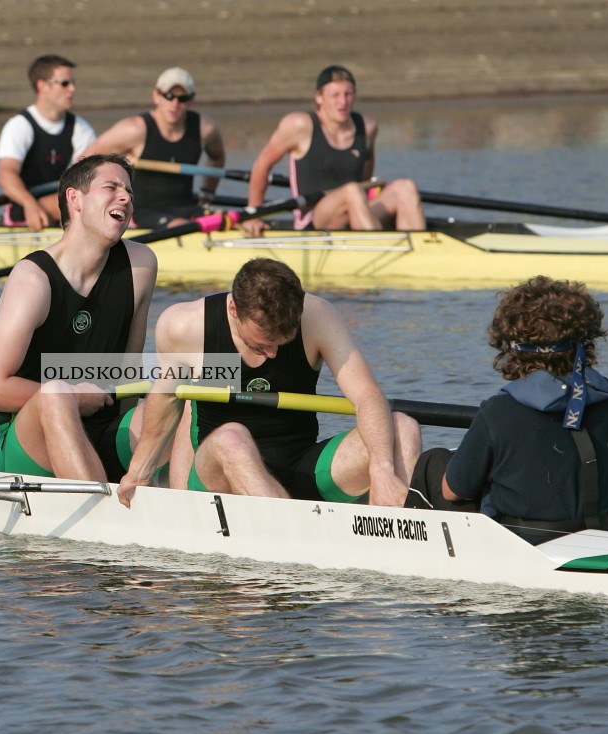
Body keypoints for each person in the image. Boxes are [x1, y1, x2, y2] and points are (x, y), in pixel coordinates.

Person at [119, 257, 421, 508]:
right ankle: (295, 541)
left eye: (282, 342)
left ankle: (396, 531)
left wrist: (381, 469)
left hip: (300, 466)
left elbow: (366, 395)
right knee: (232, 438)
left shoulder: (317, 316)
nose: (273, 353)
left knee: (402, 429)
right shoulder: (184, 326)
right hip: (218, 476)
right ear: (234, 311)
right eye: (262, 344)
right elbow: (168, 402)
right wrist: (139, 472)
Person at [0, 154, 158, 481]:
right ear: (75, 198)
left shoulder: (141, 264)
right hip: (34, 441)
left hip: (107, 427)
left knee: (185, 393)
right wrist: (75, 398)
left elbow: (128, 373)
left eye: (129, 191)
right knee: (56, 393)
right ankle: (99, 516)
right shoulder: (33, 280)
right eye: (111, 187)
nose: (126, 197)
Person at [435, 276, 608, 544]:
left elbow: (451, 492)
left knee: (433, 464)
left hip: (528, 545)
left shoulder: (498, 411)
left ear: (510, 344)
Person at [242, 65, 425, 237]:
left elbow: (367, 171)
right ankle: (380, 248)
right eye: (335, 95)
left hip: (356, 207)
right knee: (351, 191)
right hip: (316, 217)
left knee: (405, 187)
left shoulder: (367, 128)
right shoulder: (299, 126)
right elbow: (262, 165)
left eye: (348, 94)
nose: (342, 102)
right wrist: (253, 214)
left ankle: (422, 251)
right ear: (319, 98)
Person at [81, 67, 226, 227]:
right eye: (169, 96)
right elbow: (84, 162)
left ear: (190, 100)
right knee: (184, 226)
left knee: (229, 220)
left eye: (182, 98)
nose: (175, 104)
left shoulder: (205, 129)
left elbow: (217, 158)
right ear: (156, 96)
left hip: (186, 207)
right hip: (142, 211)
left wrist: (208, 193)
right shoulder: (134, 129)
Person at [0, 54, 98, 231]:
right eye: (65, 83)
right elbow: (6, 174)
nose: (72, 89)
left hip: (65, 207)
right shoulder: (20, 126)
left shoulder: (80, 128)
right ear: (42, 86)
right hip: (26, 212)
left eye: (73, 82)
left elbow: (91, 176)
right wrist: (29, 203)